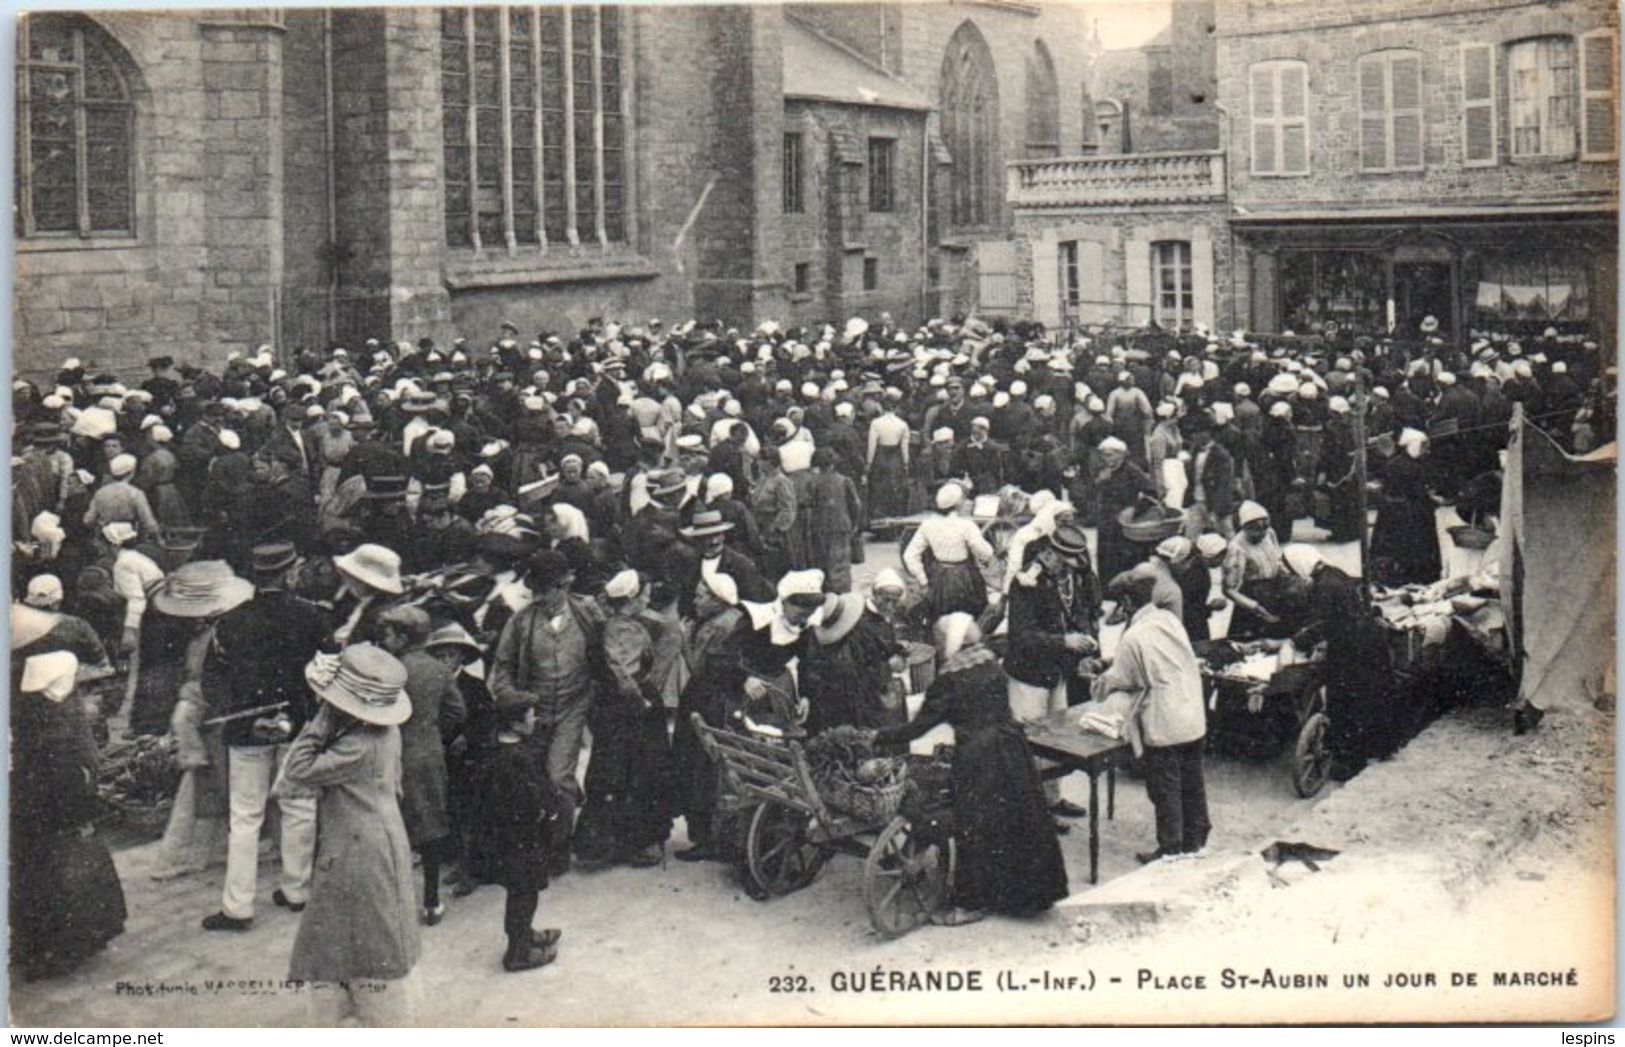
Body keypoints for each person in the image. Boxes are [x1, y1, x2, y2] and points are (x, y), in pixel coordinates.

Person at [873, 616, 1069, 923]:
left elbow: (919, 727)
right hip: (1011, 748)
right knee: (1017, 820)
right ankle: (1027, 896)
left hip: (978, 757)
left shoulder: (948, 680)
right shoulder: (991, 664)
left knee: (975, 827)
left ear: (948, 644)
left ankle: (975, 904)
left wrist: (879, 737)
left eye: (939, 640)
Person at [276, 644, 421, 1026]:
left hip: (357, 846)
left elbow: (297, 768)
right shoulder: (385, 732)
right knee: (371, 928)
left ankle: (362, 1010)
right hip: (381, 834)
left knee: (358, 932)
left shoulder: (357, 745)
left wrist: (320, 720)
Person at [201, 544, 326, 933]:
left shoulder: (230, 622)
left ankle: (237, 908)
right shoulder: (314, 617)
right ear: (289, 573)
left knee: (245, 817)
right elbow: (327, 674)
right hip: (298, 722)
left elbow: (212, 681)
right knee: (300, 805)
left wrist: (251, 715)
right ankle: (297, 890)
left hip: (245, 728)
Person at [487, 549, 608, 876]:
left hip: (574, 705)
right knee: (534, 779)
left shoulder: (588, 613)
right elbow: (502, 667)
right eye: (537, 591)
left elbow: (609, 651)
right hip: (534, 712)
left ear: (565, 585)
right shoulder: (522, 621)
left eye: (550, 590)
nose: (543, 598)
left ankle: (559, 846)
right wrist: (514, 698)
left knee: (558, 776)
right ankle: (539, 841)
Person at [10, 651, 127, 981]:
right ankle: (64, 948)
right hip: (60, 814)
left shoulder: (25, 714)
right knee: (65, 877)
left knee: (31, 878)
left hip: (29, 817)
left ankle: (34, 948)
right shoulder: (61, 725)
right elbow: (75, 775)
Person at [1094, 565, 1210, 864]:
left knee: (1165, 786)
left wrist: (1099, 680)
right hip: (1191, 711)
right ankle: (1196, 839)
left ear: (1128, 604)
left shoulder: (1133, 636)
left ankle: (1171, 848)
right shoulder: (1169, 619)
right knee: (1192, 780)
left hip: (1164, 719)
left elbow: (1123, 677)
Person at [572, 569, 675, 868]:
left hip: (618, 709)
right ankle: (633, 843)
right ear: (631, 598)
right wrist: (641, 701)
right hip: (629, 712)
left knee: (619, 770)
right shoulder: (624, 630)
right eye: (644, 594)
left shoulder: (621, 624)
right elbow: (623, 673)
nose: (648, 599)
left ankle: (614, 842)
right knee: (635, 771)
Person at [378, 605, 468, 925]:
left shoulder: (389, 670)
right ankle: (431, 901)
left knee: (391, 825)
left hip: (389, 752)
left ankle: (395, 901)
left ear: (403, 637)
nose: (384, 639)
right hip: (428, 754)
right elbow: (457, 711)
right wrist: (433, 734)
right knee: (431, 825)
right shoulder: (439, 670)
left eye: (388, 633)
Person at [1004, 524, 1100, 816]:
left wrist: (1085, 637)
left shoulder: (1066, 577)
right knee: (1029, 743)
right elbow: (1021, 636)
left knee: (1055, 741)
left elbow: (1077, 610)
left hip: (1056, 672)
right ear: (1050, 554)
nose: (1067, 569)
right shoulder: (1026, 582)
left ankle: (1051, 800)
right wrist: (1064, 641)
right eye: (1063, 562)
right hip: (1029, 676)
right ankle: (1030, 812)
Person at [1284, 544, 1395, 780]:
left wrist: (1296, 642)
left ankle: (1349, 762)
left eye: (1292, 572)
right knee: (1371, 697)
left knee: (1346, 703)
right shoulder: (1333, 573)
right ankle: (1379, 748)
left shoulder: (1323, 586)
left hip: (1352, 649)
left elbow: (1324, 623)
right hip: (1369, 642)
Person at [469, 703, 564, 972]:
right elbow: (528, 803)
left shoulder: (499, 753)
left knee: (521, 891)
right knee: (524, 893)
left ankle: (525, 934)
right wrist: (548, 814)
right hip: (520, 840)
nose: (535, 719)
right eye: (530, 715)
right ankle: (518, 953)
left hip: (509, 840)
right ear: (515, 724)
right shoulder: (515, 761)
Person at [803, 573, 908, 735]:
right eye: (886, 599)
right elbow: (861, 670)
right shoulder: (856, 633)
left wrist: (896, 649)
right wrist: (888, 666)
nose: (890, 605)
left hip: (845, 694)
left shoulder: (835, 636)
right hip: (847, 699)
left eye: (894, 601)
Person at [902, 482, 994, 622]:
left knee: (940, 617)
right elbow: (985, 552)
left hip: (938, 577)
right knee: (967, 616)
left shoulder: (928, 524)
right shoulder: (966, 525)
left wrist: (923, 580)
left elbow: (909, 555)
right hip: (964, 577)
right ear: (957, 505)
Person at [1370, 428, 1443, 586]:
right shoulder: (1412, 467)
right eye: (1423, 447)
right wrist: (1432, 500)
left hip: (1392, 513)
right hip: (1410, 514)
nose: (1426, 451)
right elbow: (1416, 492)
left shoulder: (1395, 462)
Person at [1222, 501, 1292, 639]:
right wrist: (1255, 607)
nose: (1262, 534)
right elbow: (1228, 589)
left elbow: (1277, 558)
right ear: (1245, 528)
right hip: (1253, 596)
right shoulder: (1237, 547)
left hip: (1275, 590)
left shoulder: (1270, 533)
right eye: (1256, 530)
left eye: (1264, 529)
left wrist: (1286, 574)